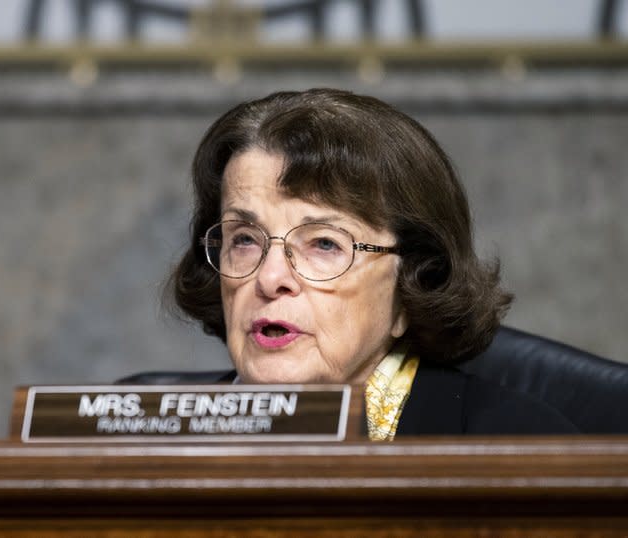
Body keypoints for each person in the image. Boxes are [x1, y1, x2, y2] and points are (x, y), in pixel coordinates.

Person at [166, 88, 576, 439]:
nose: (270, 278)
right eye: (244, 240)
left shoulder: (518, 445)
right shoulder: (140, 431)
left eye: (325, 244)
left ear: (414, 279)